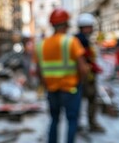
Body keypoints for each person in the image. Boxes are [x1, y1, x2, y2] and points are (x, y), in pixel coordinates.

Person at [34, 8, 88, 143]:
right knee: (72, 120)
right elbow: (83, 68)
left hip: (52, 89)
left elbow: (38, 71)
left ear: (52, 25)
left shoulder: (41, 44)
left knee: (54, 120)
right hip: (71, 88)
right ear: (66, 24)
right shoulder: (71, 41)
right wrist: (80, 82)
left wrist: (45, 84)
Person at [75, 13, 105, 133]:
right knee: (92, 99)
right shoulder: (82, 40)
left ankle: (77, 124)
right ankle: (92, 124)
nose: (92, 29)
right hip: (86, 76)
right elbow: (84, 58)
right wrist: (94, 68)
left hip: (81, 75)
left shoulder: (79, 38)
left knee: (80, 100)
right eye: (91, 26)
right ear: (85, 27)